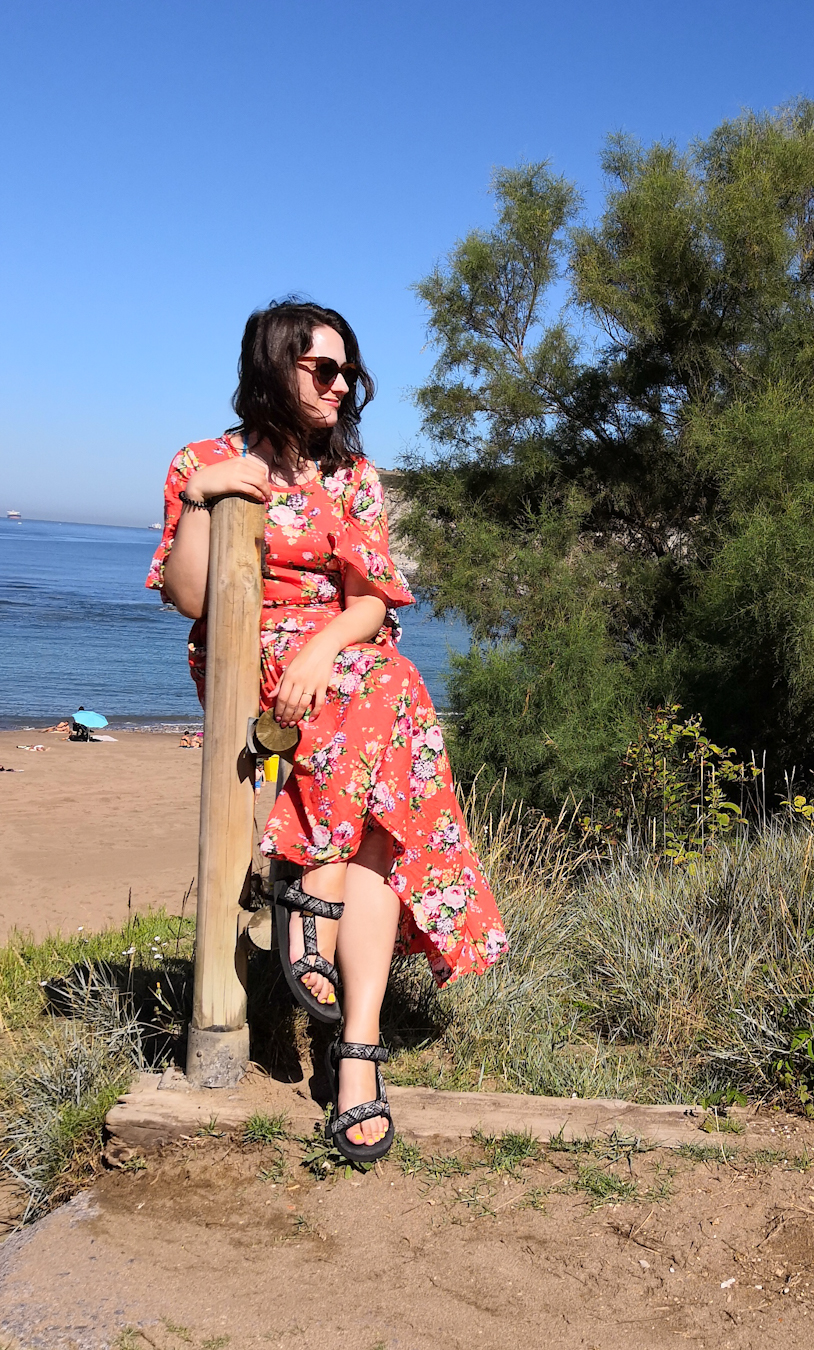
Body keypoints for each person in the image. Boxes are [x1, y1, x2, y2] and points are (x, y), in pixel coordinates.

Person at [147, 299, 507, 1163]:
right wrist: (203, 501)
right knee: (382, 699)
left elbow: (373, 600)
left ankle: (355, 1053)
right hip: (247, 652)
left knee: (385, 747)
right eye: (323, 370)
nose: (343, 386)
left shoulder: (354, 476)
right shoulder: (204, 461)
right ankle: (312, 902)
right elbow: (191, 598)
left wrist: (322, 649)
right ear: (275, 367)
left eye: (349, 372)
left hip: (337, 656)